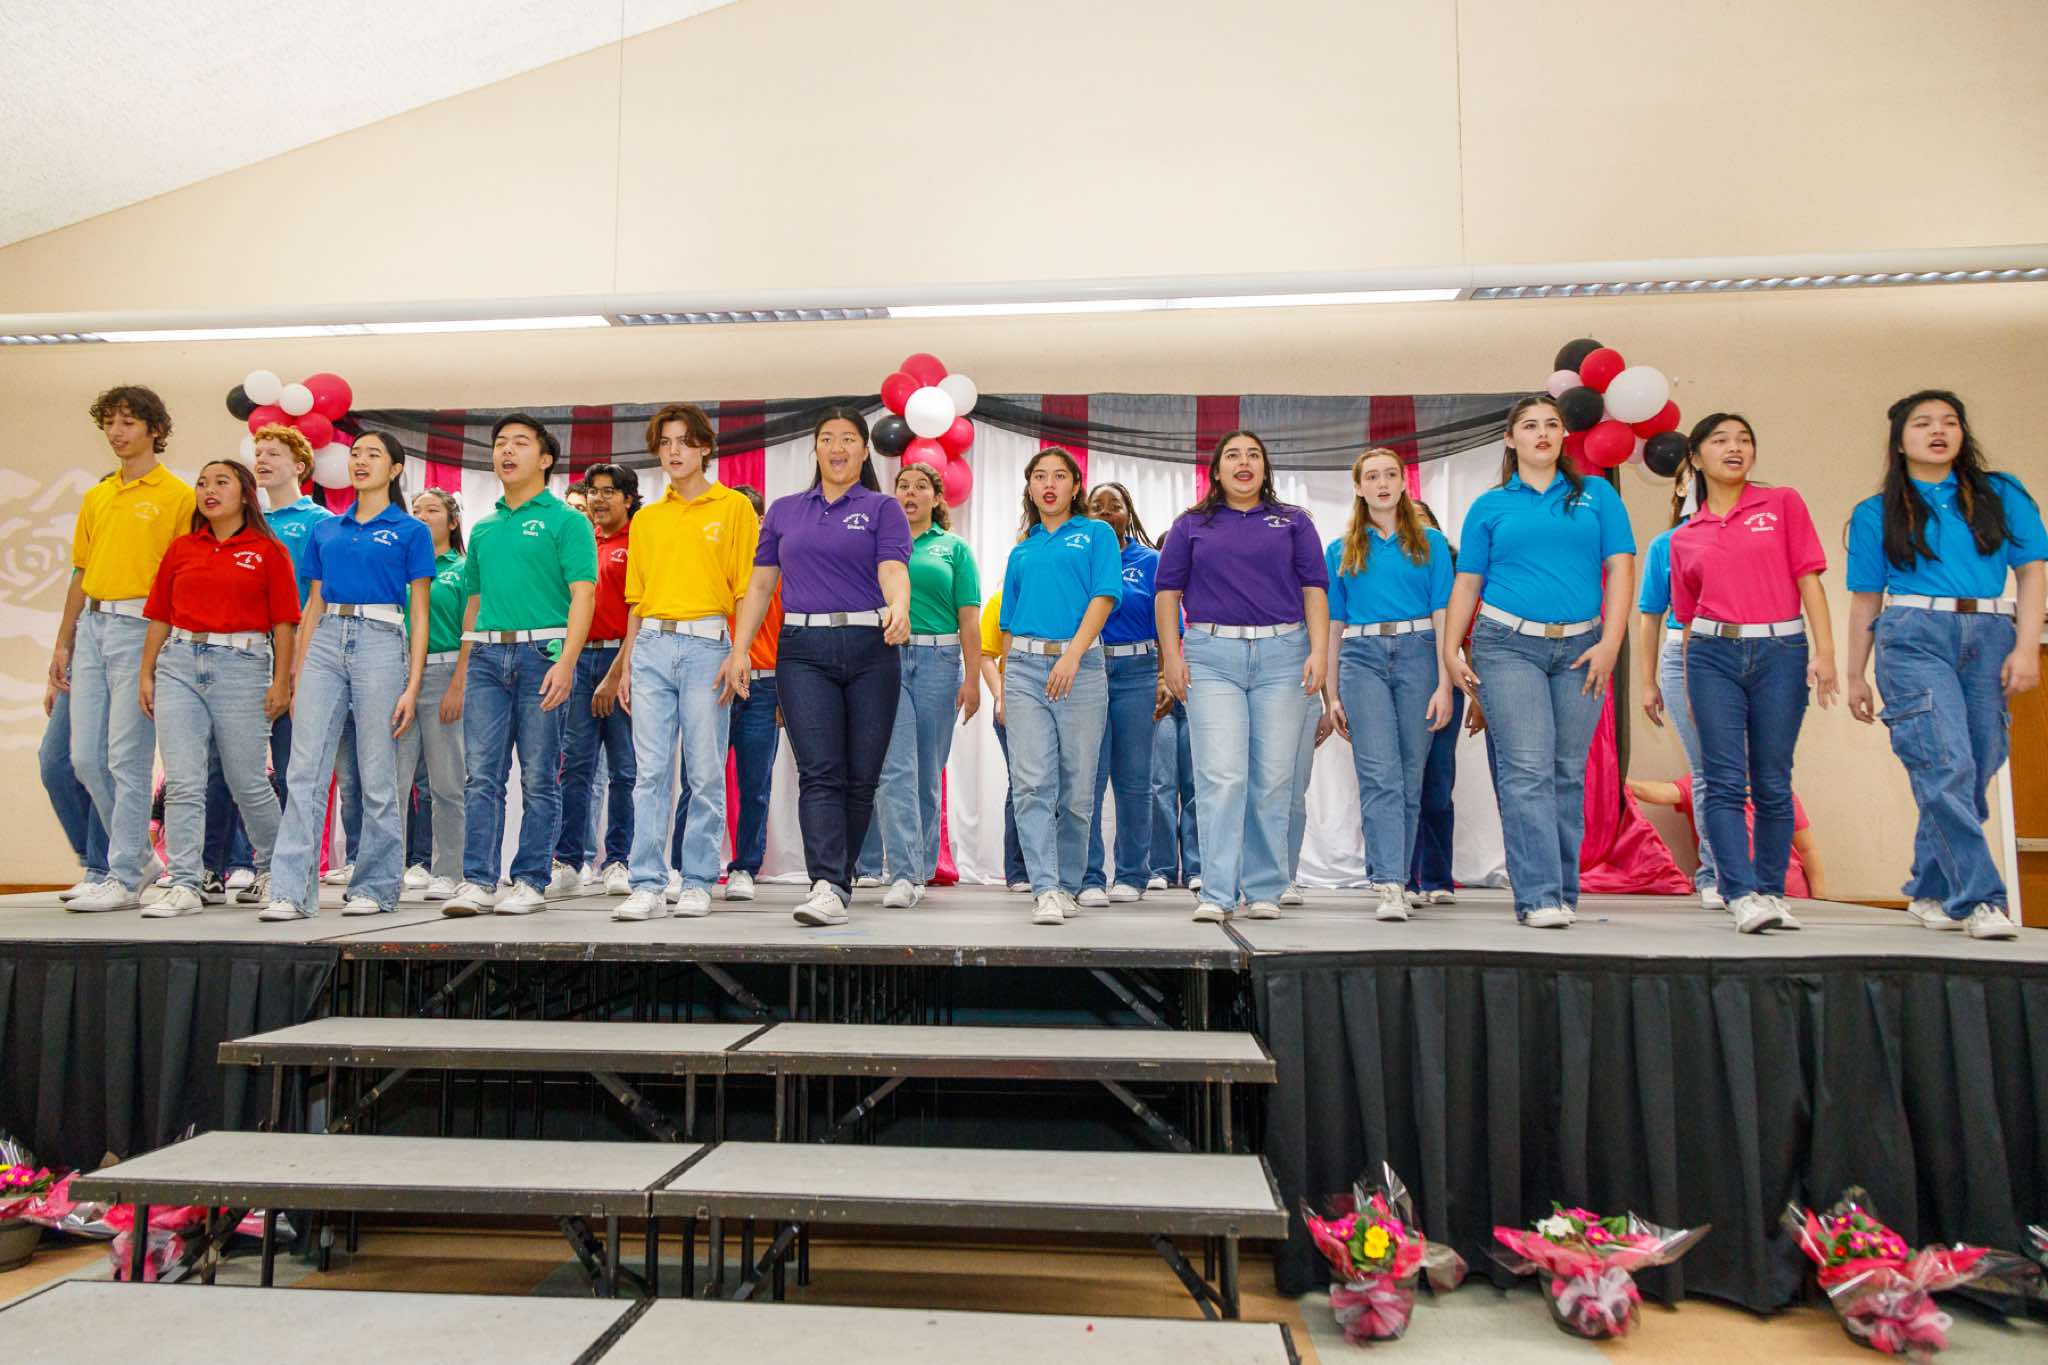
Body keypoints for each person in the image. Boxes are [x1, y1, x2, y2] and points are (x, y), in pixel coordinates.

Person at [1845, 389, 2044, 940]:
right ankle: (1979, 898)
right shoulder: (1875, 512)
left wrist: (2027, 647)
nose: (1938, 431)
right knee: (1943, 762)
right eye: (1923, 423)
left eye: (1950, 422)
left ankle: (1930, 886)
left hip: (1991, 631)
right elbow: (1865, 599)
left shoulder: (2001, 493)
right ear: (1899, 441)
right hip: (1913, 635)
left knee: (1978, 763)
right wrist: (1855, 673)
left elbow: (2032, 572)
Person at [1443, 395, 1635, 929]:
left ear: (1564, 435)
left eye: (1552, 424)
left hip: (1583, 648)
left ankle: (1563, 892)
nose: (1542, 433)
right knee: (1527, 770)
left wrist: (1611, 643)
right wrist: (1451, 650)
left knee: (1566, 773)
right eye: (1529, 425)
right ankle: (1538, 896)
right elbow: (1467, 583)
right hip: (1507, 645)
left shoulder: (1597, 495)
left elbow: (1621, 569)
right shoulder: (1490, 505)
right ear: (1511, 439)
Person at [723, 408, 910, 927]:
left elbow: (893, 568)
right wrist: (740, 649)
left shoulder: (882, 508)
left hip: (872, 647)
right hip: (802, 650)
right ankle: (826, 882)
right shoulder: (785, 511)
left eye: (848, 438)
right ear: (816, 448)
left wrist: (899, 605)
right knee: (820, 772)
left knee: (861, 777)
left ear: (864, 450)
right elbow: (761, 584)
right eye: (827, 438)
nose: (837, 447)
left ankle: (837, 880)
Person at [1667, 413, 1836, 934]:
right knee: (1721, 780)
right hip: (1711, 656)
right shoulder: (1684, 537)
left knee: (1772, 779)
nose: (1734, 448)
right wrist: (1690, 683)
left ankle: (1771, 891)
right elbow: (1687, 619)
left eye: (1744, 439)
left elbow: (1809, 580)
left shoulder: (1782, 503)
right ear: (1696, 457)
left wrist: (1825, 652)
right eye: (1720, 440)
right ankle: (1739, 894)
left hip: (1781, 650)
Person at [1157, 429, 1329, 923]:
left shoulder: (1294, 522)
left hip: (1284, 655)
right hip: (1211, 658)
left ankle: (1264, 889)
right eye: (1232, 455)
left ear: (1265, 467)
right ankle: (1216, 891)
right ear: (1217, 471)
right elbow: (1167, 593)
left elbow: (1315, 589)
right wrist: (1171, 657)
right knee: (1221, 777)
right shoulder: (1191, 524)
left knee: (1273, 779)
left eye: (1253, 454)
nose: (1244, 462)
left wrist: (1319, 652)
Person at [260, 432, 433, 920]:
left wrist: (413, 684)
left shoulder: (410, 530)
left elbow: (419, 612)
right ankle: (291, 891)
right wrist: (297, 673)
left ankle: (374, 886)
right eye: (355, 453)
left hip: (382, 637)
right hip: (325, 640)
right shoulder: (327, 529)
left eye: (373, 455)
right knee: (303, 769)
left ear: (394, 469)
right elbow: (313, 603)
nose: (360, 461)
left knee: (378, 773)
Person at [440, 415, 598, 916]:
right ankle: (479, 881)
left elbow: (583, 595)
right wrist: (463, 670)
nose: (507, 451)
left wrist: (568, 661)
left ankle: (530, 879)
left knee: (538, 776)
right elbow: (474, 602)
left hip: (542, 655)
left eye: (521, 443)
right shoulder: (484, 528)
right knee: (481, 776)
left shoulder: (567, 521)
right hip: (486, 657)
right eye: (501, 444)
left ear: (545, 458)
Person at [612, 405, 758, 922]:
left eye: (684, 441)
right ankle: (647, 883)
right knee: (649, 773)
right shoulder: (648, 519)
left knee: (705, 771)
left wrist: (739, 651)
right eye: (665, 443)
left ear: (704, 447)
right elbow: (637, 600)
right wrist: (627, 665)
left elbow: (747, 589)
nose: (673, 451)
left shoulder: (734, 508)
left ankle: (697, 879)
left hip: (708, 647)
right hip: (651, 645)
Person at [136, 459, 300, 916]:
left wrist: (281, 683)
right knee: (183, 782)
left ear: (245, 494)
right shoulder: (182, 548)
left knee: (247, 780)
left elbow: (284, 624)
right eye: (202, 483)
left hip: (243, 666)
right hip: (178, 665)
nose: (208, 490)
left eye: (221, 482)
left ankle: (277, 869)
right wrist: (147, 672)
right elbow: (160, 616)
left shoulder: (268, 551)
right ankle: (185, 883)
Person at [56, 386, 195, 912]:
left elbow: (183, 578)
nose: (117, 432)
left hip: (142, 626)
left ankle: (124, 873)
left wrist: (165, 647)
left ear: (155, 430)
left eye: (129, 423)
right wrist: (64, 641)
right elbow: (81, 572)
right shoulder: (98, 496)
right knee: (85, 758)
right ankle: (138, 857)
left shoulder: (178, 496)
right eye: (110, 423)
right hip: (92, 625)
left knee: (126, 757)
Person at [1323, 448, 1454, 921]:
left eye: (1390, 475)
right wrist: (1331, 693)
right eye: (1372, 477)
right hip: (1361, 658)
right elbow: (1333, 624)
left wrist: (1445, 683)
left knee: (1411, 775)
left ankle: (1400, 874)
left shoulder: (1431, 543)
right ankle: (1390, 884)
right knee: (1379, 773)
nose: (1382, 484)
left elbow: (1444, 614)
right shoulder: (1340, 550)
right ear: (1358, 487)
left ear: (1403, 483)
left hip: (1420, 652)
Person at [998, 448, 1121, 925]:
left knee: (1077, 788)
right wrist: (1005, 686)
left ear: (1075, 486)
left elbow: (1104, 596)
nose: (1049, 484)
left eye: (1059, 476)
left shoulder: (1096, 534)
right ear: (1029, 488)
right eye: (1039, 477)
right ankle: (1045, 888)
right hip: (1025, 670)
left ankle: (1069, 883)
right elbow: (1008, 624)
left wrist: (1072, 655)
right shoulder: (1022, 550)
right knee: (1031, 784)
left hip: (1081, 668)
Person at [855, 461, 982, 906]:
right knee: (893, 768)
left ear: (937, 497)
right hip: (886, 657)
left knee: (927, 771)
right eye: (903, 485)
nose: (909, 493)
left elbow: (970, 619)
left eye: (920, 486)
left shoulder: (954, 549)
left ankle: (922, 868)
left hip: (938, 663)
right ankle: (900, 872)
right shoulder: (878, 544)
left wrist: (972, 680)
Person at [250, 425, 341, 896]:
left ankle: (297, 867)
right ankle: (245, 863)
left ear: (300, 466)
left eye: (274, 453)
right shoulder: (248, 520)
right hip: (245, 649)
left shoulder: (318, 521)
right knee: (240, 766)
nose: (262, 460)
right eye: (259, 452)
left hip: (299, 648)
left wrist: (296, 659)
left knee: (295, 764)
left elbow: (317, 595)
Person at [1634, 466, 1720, 908]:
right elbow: (1649, 616)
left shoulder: (1742, 534)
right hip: (1681, 656)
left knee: (1743, 769)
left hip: (1742, 651)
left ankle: (1751, 872)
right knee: (1708, 769)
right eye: (1692, 471)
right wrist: (1648, 682)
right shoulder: (1665, 544)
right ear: (1682, 484)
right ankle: (1716, 874)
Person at [554, 462, 638, 897]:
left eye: (609, 491)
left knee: (625, 770)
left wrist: (617, 673)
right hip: (578, 660)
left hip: (623, 662)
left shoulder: (640, 540)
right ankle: (569, 860)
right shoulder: (579, 539)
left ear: (628, 498)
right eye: (593, 491)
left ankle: (619, 860)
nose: (599, 499)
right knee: (575, 767)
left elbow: (641, 611)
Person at [1074, 482, 1158, 907]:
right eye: (1097, 506)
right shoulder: (1078, 560)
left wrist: (1165, 676)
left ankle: (1132, 874)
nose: (1107, 513)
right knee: (1087, 778)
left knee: (1135, 780)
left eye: (1116, 506)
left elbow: (1169, 621)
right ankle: (1088, 876)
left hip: (1139, 672)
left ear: (1129, 513)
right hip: (1088, 670)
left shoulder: (1151, 561)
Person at [395, 488, 469, 899]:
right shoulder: (400, 565)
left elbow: (471, 631)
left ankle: (448, 870)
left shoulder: (462, 568)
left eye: (432, 510)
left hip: (444, 673)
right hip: (398, 673)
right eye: (416, 510)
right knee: (392, 780)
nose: (422, 516)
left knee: (446, 782)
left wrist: (459, 682)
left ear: (452, 521)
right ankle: (386, 869)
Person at [1627, 775, 1827, 900]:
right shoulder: (1704, 784)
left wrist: (1819, 897)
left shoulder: (1779, 792)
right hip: (1736, 896)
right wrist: (1621, 779)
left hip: (1790, 894)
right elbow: (1662, 793)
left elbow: (1807, 849)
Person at [1407, 501, 1460, 903]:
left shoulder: (1454, 572)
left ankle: (1438, 879)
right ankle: (1402, 878)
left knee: (1437, 784)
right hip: (1394, 678)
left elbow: (1466, 636)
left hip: (1446, 682)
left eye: (1425, 523)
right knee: (1401, 785)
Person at [980, 586, 1031, 892]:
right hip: (1013, 703)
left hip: (1059, 696)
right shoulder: (1001, 599)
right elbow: (986, 654)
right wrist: (1001, 696)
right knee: (1022, 785)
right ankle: (1019, 870)